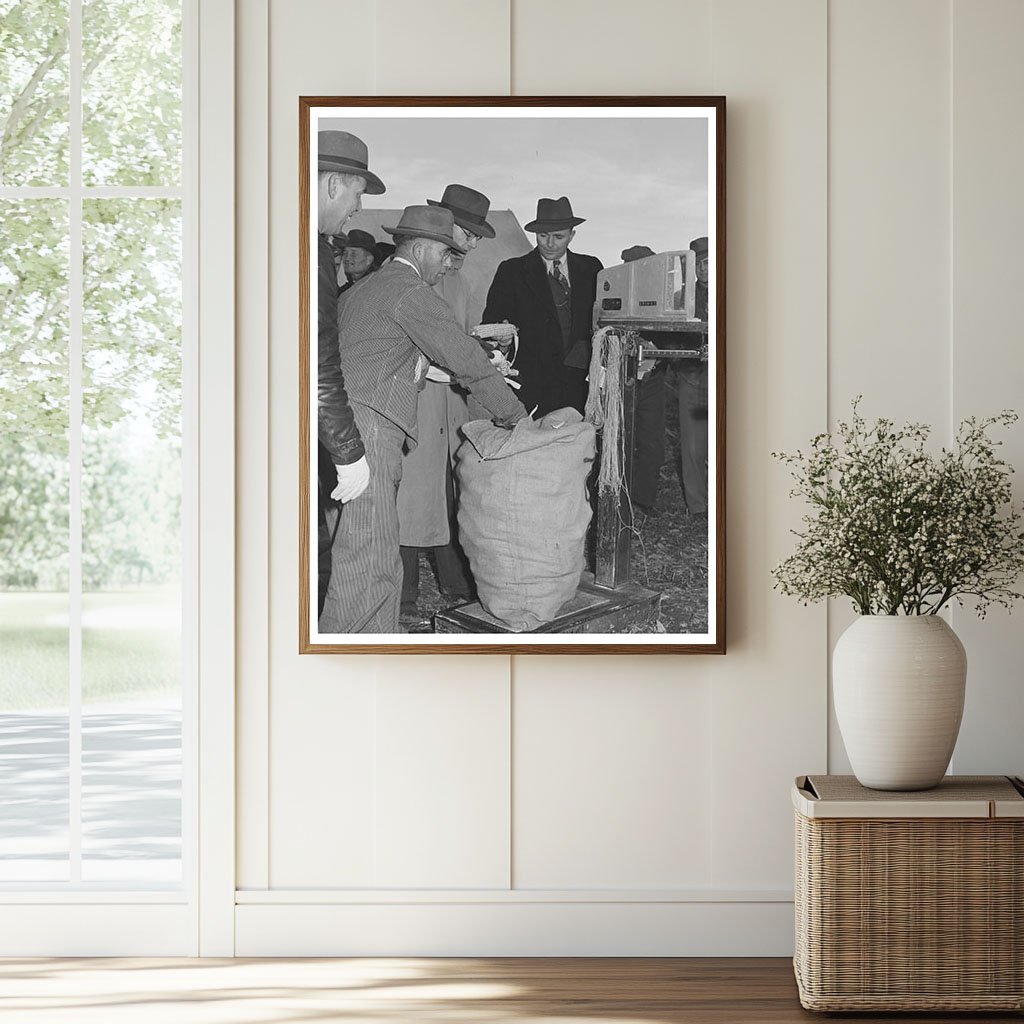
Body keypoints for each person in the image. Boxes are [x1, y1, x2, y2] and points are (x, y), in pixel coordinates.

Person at [319, 205, 527, 634]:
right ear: (420, 248)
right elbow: (467, 359)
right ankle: (346, 658)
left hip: (343, 429)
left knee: (368, 549)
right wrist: (515, 417)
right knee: (368, 558)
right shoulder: (410, 291)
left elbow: (389, 354)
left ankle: (377, 640)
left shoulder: (367, 288)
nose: (449, 263)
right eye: (444, 253)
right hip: (370, 431)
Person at [396, 184, 495, 620]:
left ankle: (456, 584)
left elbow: (461, 335)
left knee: (452, 492)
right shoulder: (407, 275)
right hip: (416, 399)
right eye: (466, 233)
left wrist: (486, 347)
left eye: (477, 238)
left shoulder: (460, 280)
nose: (471, 244)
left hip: (450, 403)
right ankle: (404, 596)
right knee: (412, 498)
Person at [315, 130, 385, 615]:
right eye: (358, 195)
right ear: (334, 184)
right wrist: (348, 452)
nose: (356, 208)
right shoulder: (310, 249)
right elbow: (317, 363)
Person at [483, 196, 603, 417]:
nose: (550, 244)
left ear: (572, 235)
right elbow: (490, 325)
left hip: (580, 390)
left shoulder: (592, 268)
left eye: (559, 237)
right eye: (543, 236)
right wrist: (502, 337)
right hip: (530, 390)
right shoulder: (512, 271)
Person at [619, 245, 669, 514]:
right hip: (621, 380)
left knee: (651, 442)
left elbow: (676, 336)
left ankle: (642, 501)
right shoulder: (613, 295)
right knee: (619, 438)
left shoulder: (663, 300)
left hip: (651, 379)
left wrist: (652, 343)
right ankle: (617, 497)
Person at [676, 235, 709, 514]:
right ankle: (698, 504)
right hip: (693, 377)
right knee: (693, 443)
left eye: (708, 262)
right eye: (698, 264)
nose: (703, 269)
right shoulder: (681, 299)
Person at [338, 229, 382, 305]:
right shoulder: (342, 291)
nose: (347, 258)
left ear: (369, 260)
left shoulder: (377, 289)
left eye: (353, 254)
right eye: (345, 253)